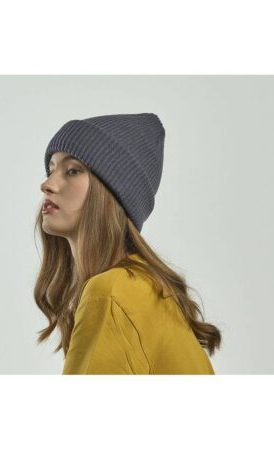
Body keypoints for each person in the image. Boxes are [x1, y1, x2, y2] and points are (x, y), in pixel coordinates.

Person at [34, 112, 221, 374]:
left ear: (111, 193)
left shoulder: (111, 293)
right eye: (51, 170)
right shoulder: (142, 286)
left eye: (72, 171)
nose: (47, 184)